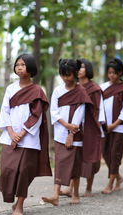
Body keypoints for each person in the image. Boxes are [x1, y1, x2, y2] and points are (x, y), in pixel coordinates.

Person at [0, 54, 52, 215]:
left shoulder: (37, 90)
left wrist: (21, 133)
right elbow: (4, 111)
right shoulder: (10, 88)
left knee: (23, 172)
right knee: (7, 169)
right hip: (10, 135)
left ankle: (20, 204)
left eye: (23, 64)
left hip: (28, 138)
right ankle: (12, 199)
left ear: (30, 68)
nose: (19, 67)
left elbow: (37, 115)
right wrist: (11, 133)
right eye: (17, 64)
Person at [42, 59, 92, 206]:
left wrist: (71, 133)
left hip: (75, 135)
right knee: (60, 163)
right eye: (63, 75)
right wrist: (65, 125)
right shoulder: (58, 91)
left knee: (75, 164)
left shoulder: (81, 91)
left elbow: (80, 114)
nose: (66, 78)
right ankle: (55, 195)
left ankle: (75, 193)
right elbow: (54, 112)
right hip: (60, 133)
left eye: (68, 75)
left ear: (75, 74)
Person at [60, 58, 105, 197]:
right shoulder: (74, 87)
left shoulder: (95, 89)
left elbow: (100, 109)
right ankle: (71, 189)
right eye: (77, 68)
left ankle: (89, 188)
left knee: (90, 159)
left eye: (82, 67)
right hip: (76, 126)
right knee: (76, 157)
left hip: (91, 126)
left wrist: (97, 125)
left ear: (88, 70)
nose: (79, 70)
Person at [100, 58, 123, 194]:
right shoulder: (102, 87)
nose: (111, 75)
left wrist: (114, 125)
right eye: (109, 72)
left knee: (115, 154)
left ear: (120, 73)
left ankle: (110, 183)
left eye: (114, 73)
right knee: (106, 153)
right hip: (104, 127)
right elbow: (99, 106)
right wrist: (104, 124)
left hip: (118, 128)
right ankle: (118, 177)